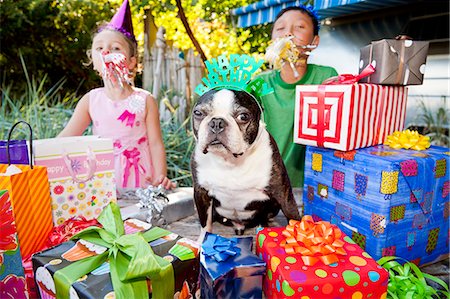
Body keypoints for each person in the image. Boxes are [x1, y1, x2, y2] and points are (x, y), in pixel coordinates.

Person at [59, 0, 176, 190]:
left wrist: (160, 177)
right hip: (103, 181)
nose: (106, 52)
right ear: (93, 60)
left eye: (115, 48)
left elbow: (155, 144)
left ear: (131, 62)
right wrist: (38, 153)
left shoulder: (145, 100)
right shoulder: (91, 101)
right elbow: (66, 137)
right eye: (100, 48)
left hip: (141, 178)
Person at [257, 5, 338, 188]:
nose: (288, 34)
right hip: (265, 186)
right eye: (280, 28)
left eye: (300, 27)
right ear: (272, 40)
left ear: (315, 41)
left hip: (314, 186)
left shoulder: (327, 77)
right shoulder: (260, 84)